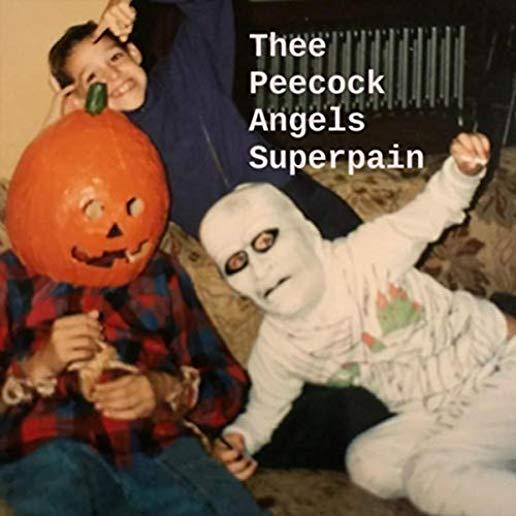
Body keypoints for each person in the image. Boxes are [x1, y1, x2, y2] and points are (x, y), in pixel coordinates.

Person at [45, 0, 392, 471]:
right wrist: (60, 113)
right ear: (85, 97)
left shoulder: (189, 68)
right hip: (254, 258)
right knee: (324, 376)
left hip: (305, 210)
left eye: (116, 57)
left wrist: (129, 2)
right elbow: (52, 204)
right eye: (94, 79)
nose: (114, 76)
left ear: (135, 52)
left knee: (386, 326)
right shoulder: (118, 149)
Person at [200, 132, 516, 516]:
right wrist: (238, 440)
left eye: (265, 241)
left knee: (431, 476)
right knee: (370, 465)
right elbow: (264, 410)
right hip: (435, 409)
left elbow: (433, 210)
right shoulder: (279, 347)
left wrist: (463, 170)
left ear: (303, 230)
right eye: (237, 262)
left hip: (498, 364)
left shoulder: (364, 255)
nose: (259, 267)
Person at [0, 99, 263, 516]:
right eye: (92, 207)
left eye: (129, 205)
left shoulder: (160, 272)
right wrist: (38, 366)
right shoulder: (12, 275)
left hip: (160, 449)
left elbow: (227, 384)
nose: (113, 229)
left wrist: (164, 388)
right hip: (51, 450)